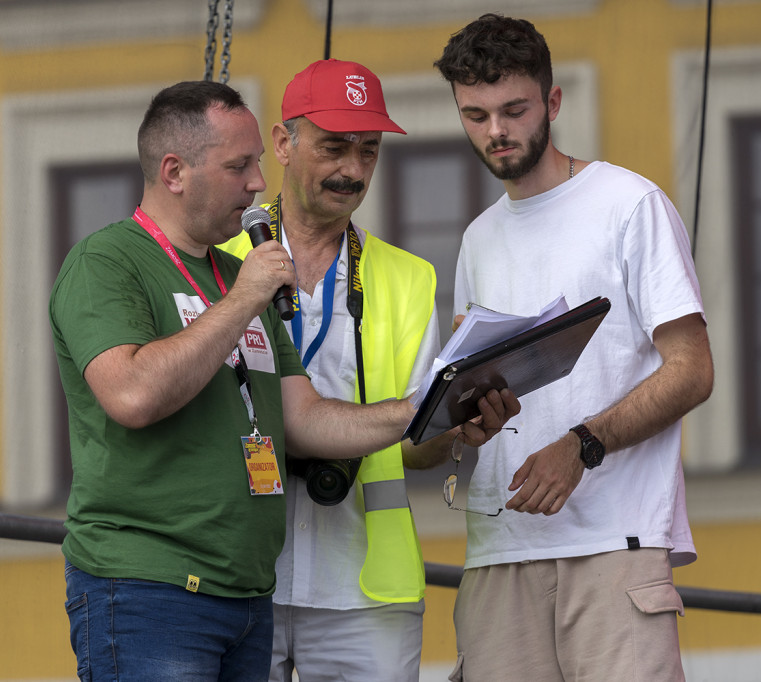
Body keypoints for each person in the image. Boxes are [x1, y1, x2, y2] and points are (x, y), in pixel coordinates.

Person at [49, 80, 517, 682]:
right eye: (239, 165)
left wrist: (434, 404)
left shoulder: (238, 272)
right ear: (173, 172)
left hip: (244, 594)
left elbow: (303, 420)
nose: (253, 184)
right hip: (149, 587)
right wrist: (245, 296)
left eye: (255, 166)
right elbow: (133, 394)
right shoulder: (108, 261)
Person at [432, 13, 715, 682]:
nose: (496, 131)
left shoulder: (629, 203)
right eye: (475, 115)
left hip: (613, 543)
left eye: (514, 110)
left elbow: (694, 369)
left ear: (552, 103)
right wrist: (466, 421)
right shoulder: (478, 238)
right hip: (499, 551)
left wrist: (582, 445)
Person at [222, 59, 509, 682]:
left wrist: (458, 424)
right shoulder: (218, 259)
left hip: (366, 588)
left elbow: (417, 447)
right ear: (282, 144)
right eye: (333, 147)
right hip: (236, 572)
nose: (353, 169)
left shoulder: (409, 277)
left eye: (368, 150)